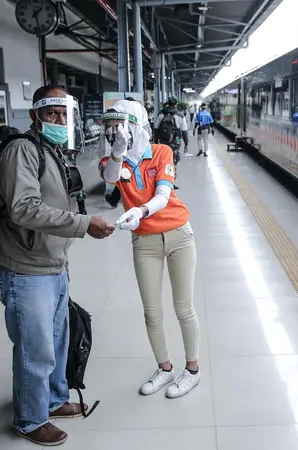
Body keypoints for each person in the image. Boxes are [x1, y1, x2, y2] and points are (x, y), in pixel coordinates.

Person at [0, 85, 116, 446]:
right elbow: (23, 208)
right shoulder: (22, 152)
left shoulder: (53, 151)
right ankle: (30, 419)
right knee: (36, 348)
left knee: (58, 341)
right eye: (51, 114)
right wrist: (83, 224)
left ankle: (55, 400)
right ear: (35, 115)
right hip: (24, 269)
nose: (60, 121)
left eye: (64, 115)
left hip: (52, 264)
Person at [99, 99, 202, 399]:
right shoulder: (110, 161)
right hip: (144, 243)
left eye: (118, 125)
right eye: (108, 126)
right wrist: (118, 153)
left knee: (183, 307)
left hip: (179, 235)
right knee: (152, 312)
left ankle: (192, 370)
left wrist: (141, 211)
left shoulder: (161, 152)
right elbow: (109, 178)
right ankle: (165, 368)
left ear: (134, 124)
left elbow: (163, 193)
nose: (112, 131)